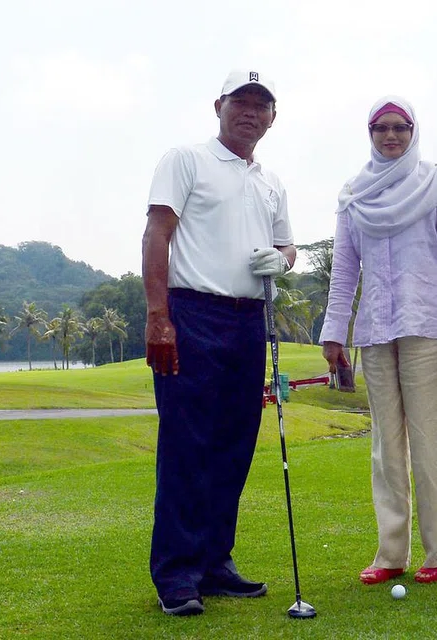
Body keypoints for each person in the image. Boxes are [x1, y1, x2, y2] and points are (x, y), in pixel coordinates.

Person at [141, 69, 296, 616]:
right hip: (192, 312)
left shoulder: (270, 181)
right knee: (188, 445)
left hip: (248, 319)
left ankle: (214, 562)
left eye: (262, 105)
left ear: (273, 117)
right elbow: (158, 231)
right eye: (241, 102)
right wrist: (159, 317)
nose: (250, 112)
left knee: (234, 443)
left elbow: (285, 246)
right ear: (218, 105)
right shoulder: (186, 159)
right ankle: (177, 573)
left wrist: (283, 259)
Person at [319, 96, 437, 586]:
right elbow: (344, 270)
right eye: (381, 128)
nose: (391, 136)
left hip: (429, 326)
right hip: (375, 332)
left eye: (400, 128)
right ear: (369, 133)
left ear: (414, 131)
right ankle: (391, 553)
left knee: (432, 444)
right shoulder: (353, 195)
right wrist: (334, 332)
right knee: (386, 448)